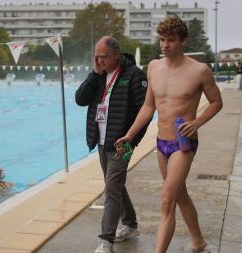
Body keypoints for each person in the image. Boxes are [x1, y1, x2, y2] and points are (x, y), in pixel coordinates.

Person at [115, 16, 223, 253]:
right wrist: (130, 135)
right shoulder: (153, 67)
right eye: (162, 40)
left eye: (171, 40)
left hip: (183, 145)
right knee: (179, 194)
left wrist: (197, 122)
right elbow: (148, 106)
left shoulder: (199, 70)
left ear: (183, 40)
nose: (165, 45)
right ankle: (198, 241)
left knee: (166, 200)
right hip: (161, 143)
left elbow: (216, 102)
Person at [75, 36, 150, 253]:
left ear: (116, 55)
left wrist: (131, 140)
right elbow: (80, 99)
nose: (99, 61)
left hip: (123, 144)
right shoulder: (99, 75)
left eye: (103, 57)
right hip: (100, 141)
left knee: (112, 187)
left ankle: (106, 239)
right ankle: (131, 224)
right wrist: (94, 74)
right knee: (115, 185)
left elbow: (145, 112)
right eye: (96, 57)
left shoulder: (134, 75)